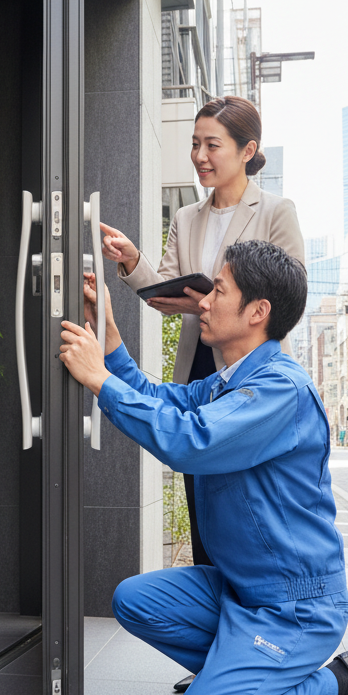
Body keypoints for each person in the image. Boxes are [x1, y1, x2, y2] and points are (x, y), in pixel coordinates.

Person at [59, 240, 348, 695]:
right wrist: (112, 346)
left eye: (218, 290)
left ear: (257, 312)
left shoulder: (280, 390)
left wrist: (98, 381)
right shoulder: (230, 382)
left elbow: (189, 440)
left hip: (292, 609)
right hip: (241, 591)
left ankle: (343, 685)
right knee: (134, 599)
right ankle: (240, 675)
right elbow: (162, 399)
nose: (204, 302)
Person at [100, 96, 304, 579]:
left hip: (251, 369)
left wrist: (204, 301)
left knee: (247, 496)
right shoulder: (186, 217)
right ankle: (212, 602)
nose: (200, 156)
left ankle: (255, 609)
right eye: (195, 144)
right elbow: (163, 290)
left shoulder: (276, 210)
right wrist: (133, 262)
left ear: (247, 149)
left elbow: (289, 296)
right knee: (201, 496)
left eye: (213, 145)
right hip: (199, 366)